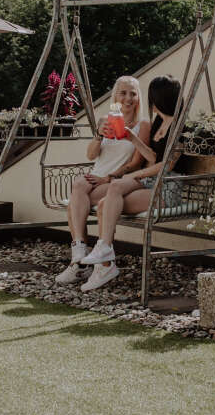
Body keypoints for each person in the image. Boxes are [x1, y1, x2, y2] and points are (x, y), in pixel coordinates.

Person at [78, 74, 190, 292]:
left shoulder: (181, 127)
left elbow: (165, 166)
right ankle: (105, 254)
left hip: (166, 187)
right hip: (149, 181)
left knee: (105, 205)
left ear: (160, 98)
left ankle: (105, 264)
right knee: (113, 191)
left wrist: (132, 175)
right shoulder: (158, 122)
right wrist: (132, 139)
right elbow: (150, 157)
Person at [54, 75, 152, 285]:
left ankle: (79, 260)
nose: (128, 98)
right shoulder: (106, 120)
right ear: (115, 96)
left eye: (132, 94)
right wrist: (98, 135)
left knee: (75, 200)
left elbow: (135, 163)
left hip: (116, 180)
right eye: (123, 93)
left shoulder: (142, 125)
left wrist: (108, 177)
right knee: (79, 185)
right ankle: (80, 250)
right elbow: (91, 155)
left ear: (138, 97)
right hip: (95, 178)